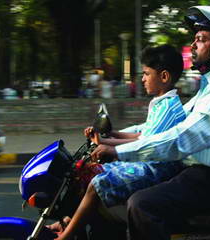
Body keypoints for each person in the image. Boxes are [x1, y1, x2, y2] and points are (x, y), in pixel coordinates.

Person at [91, 6, 210, 240]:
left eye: (201, 39)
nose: (194, 45)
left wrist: (119, 151)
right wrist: (110, 136)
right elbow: (169, 125)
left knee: (141, 205)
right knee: (107, 184)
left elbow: (184, 136)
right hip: (192, 172)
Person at [49, 44, 187, 240]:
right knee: (88, 171)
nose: (143, 79)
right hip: (147, 162)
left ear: (164, 77)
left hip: (155, 169)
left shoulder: (168, 109)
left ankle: (67, 235)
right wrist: (106, 138)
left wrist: (110, 147)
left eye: (147, 74)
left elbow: (144, 144)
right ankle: (69, 220)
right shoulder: (161, 104)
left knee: (98, 182)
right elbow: (142, 135)